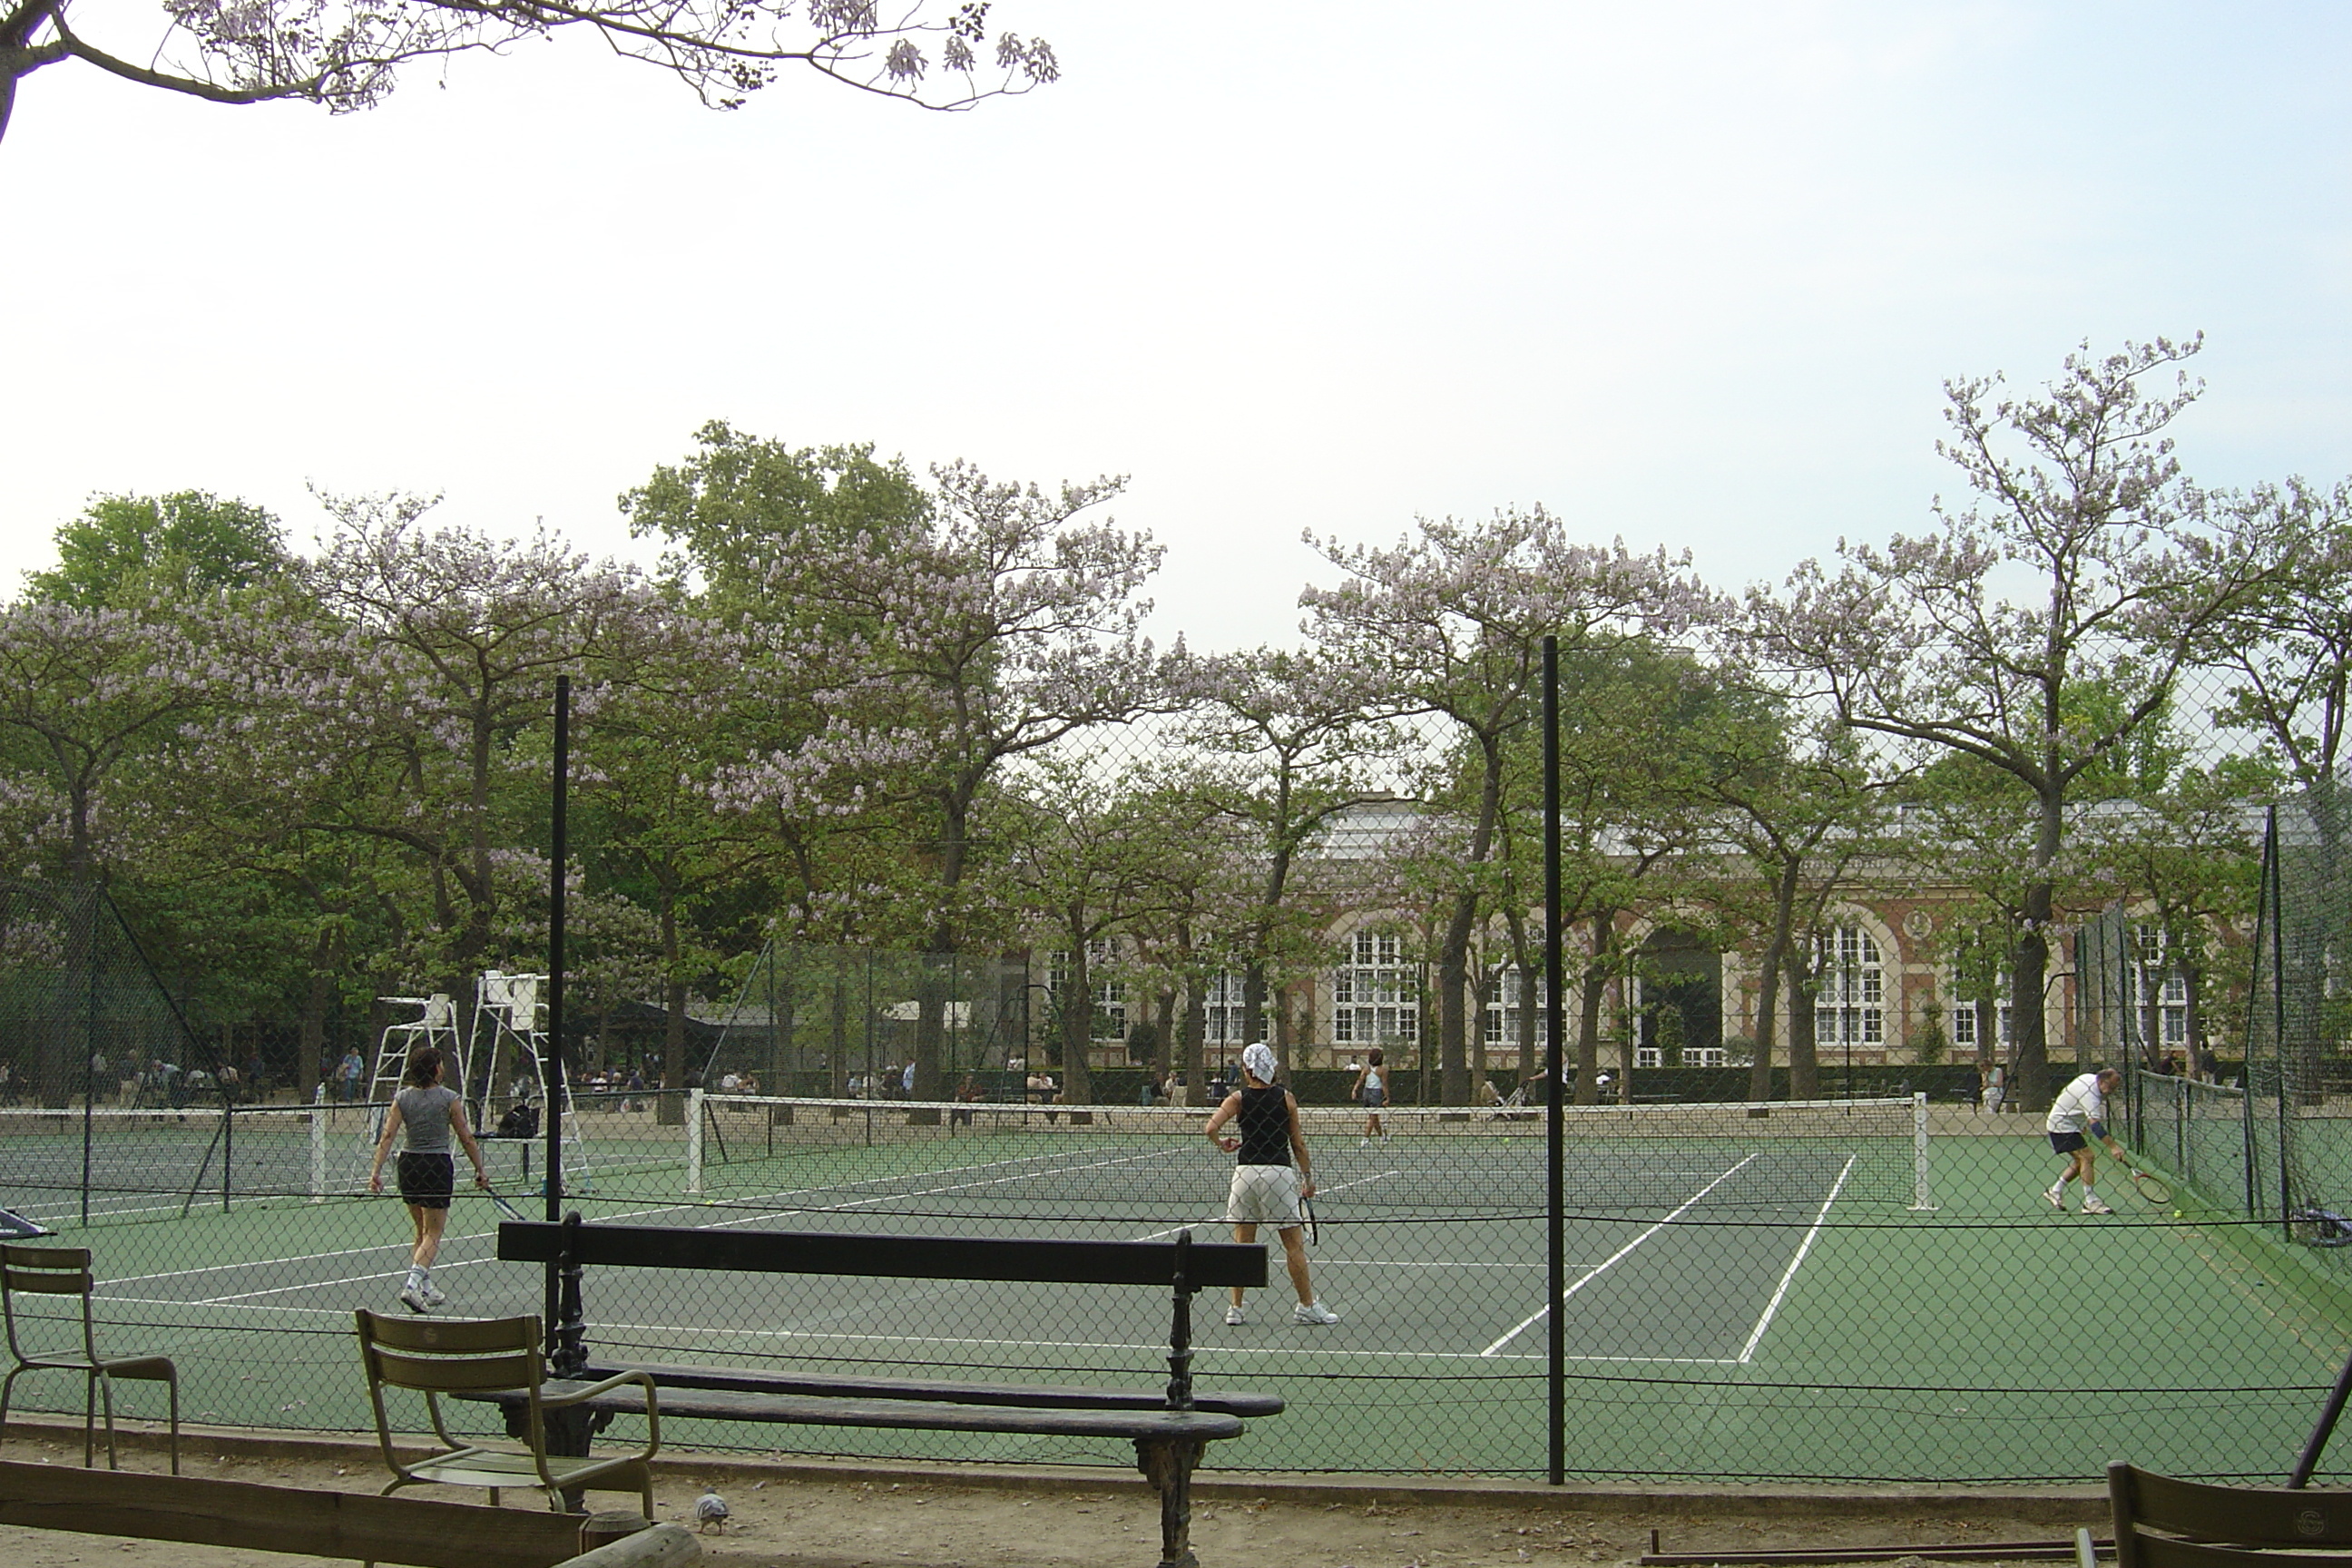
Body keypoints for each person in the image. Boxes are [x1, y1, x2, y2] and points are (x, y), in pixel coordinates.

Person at [1203, 1042, 1338, 1328]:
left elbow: (1211, 1128)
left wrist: (1221, 1143)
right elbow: (1297, 1144)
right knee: (1293, 1246)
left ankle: (1235, 1308)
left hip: (1245, 1175)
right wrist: (1308, 1178)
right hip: (1278, 1173)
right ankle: (1307, 1305)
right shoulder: (1286, 1099)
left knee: (1242, 1245)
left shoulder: (1237, 1099)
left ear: (1246, 1069)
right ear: (1271, 1067)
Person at [368, 1044, 491, 1313]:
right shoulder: (449, 1098)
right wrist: (480, 1169)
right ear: (435, 1069)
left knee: (422, 1229)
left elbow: (387, 1135)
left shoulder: (402, 1098)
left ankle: (425, 1285)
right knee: (434, 1232)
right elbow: (465, 1136)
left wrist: (375, 1171)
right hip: (435, 1164)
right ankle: (412, 1285)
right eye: (441, 1063)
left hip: (409, 1165)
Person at [2043, 1067, 2128, 1215]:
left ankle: (2055, 1191)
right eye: (2110, 1087)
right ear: (2101, 1081)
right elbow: (2095, 1126)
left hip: (2068, 1123)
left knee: (2080, 1160)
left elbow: (2069, 1096)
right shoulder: (2091, 1094)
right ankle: (2090, 1202)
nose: (2111, 1091)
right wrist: (2114, 1147)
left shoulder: (2089, 1078)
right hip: (2061, 1125)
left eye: (2115, 1088)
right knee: (2087, 1157)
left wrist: (2079, 1124)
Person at [1349, 1048, 1387, 1146]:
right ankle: (1365, 1139)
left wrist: (1354, 1090)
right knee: (1372, 1117)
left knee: (1374, 1117)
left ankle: (1382, 1137)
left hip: (1366, 1093)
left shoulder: (1367, 1069)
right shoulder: (1382, 1070)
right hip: (1375, 1093)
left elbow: (1360, 1080)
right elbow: (1384, 1085)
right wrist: (1387, 1097)